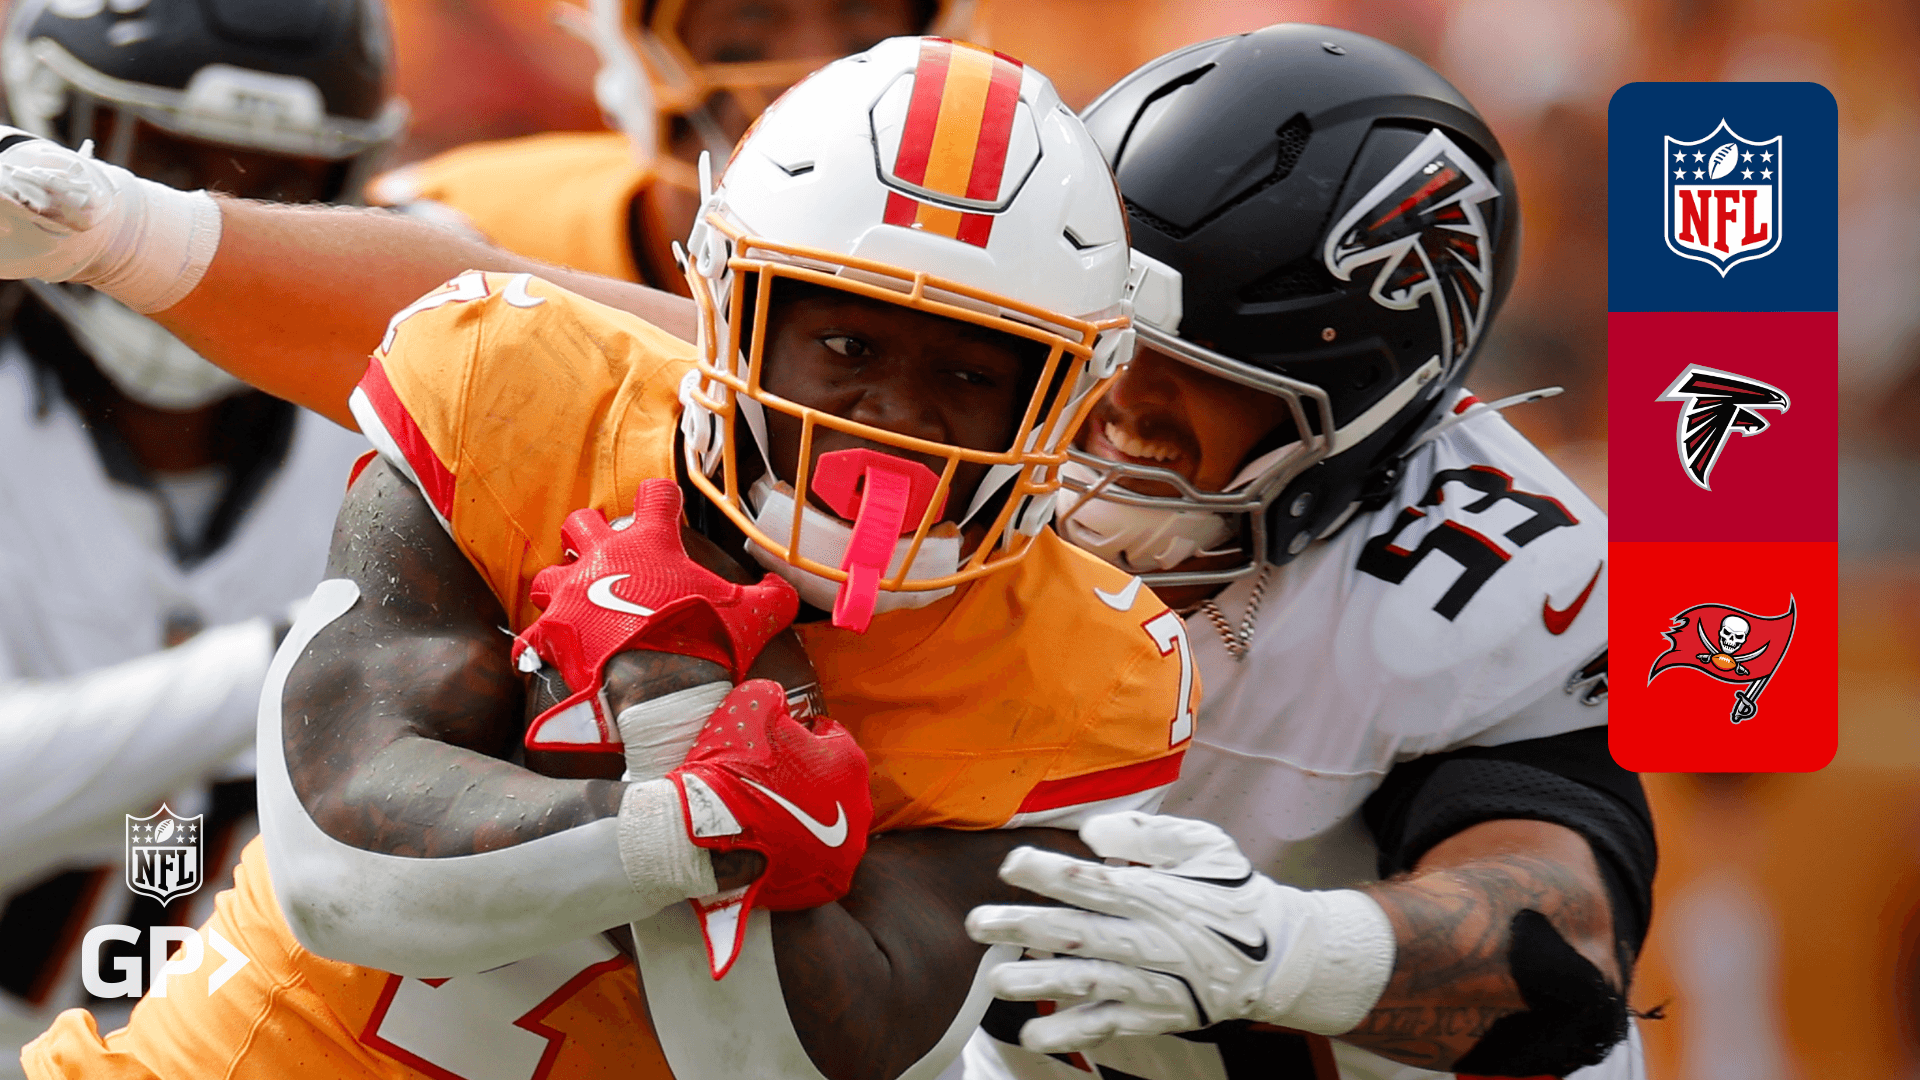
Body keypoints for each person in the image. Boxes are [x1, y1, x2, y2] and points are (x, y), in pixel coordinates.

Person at [13, 37, 1198, 1080]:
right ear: (732, 313)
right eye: (846, 344)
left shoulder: (1089, 670)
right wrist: (693, 808)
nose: (892, 416)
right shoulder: (527, 392)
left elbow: (776, 1065)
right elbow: (341, 879)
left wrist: (678, 720)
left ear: (1065, 398)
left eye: (971, 372)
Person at [962, 26, 1651, 1080]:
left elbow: (1562, 956)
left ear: (1366, 403)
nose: (1121, 398)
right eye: (1101, 331)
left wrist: (1289, 955)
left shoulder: (1472, 577)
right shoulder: (961, 431)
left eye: (1203, 366)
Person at [0, 0, 397, 1069]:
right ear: (46, 122)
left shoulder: (412, 388)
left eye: (278, 185)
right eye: (165, 161)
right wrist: (302, 652)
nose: (211, 223)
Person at [368, 0, 972, 288]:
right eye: (752, 16)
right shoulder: (461, 231)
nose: (814, 67)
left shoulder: (982, 274)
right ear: (639, 49)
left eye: (862, 16)